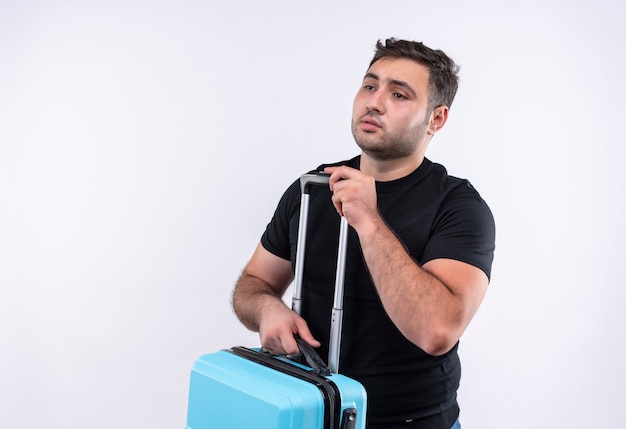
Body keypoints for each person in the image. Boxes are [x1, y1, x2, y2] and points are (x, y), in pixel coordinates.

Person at [232, 38, 495, 429]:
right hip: (312, 414)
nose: (375, 102)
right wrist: (267, 309)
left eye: (399, 94)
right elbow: (253, 284)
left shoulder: (458, 206)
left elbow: (437, 331)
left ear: (436, 119)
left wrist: (369, 221)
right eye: (370, 86)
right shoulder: (312, 188)